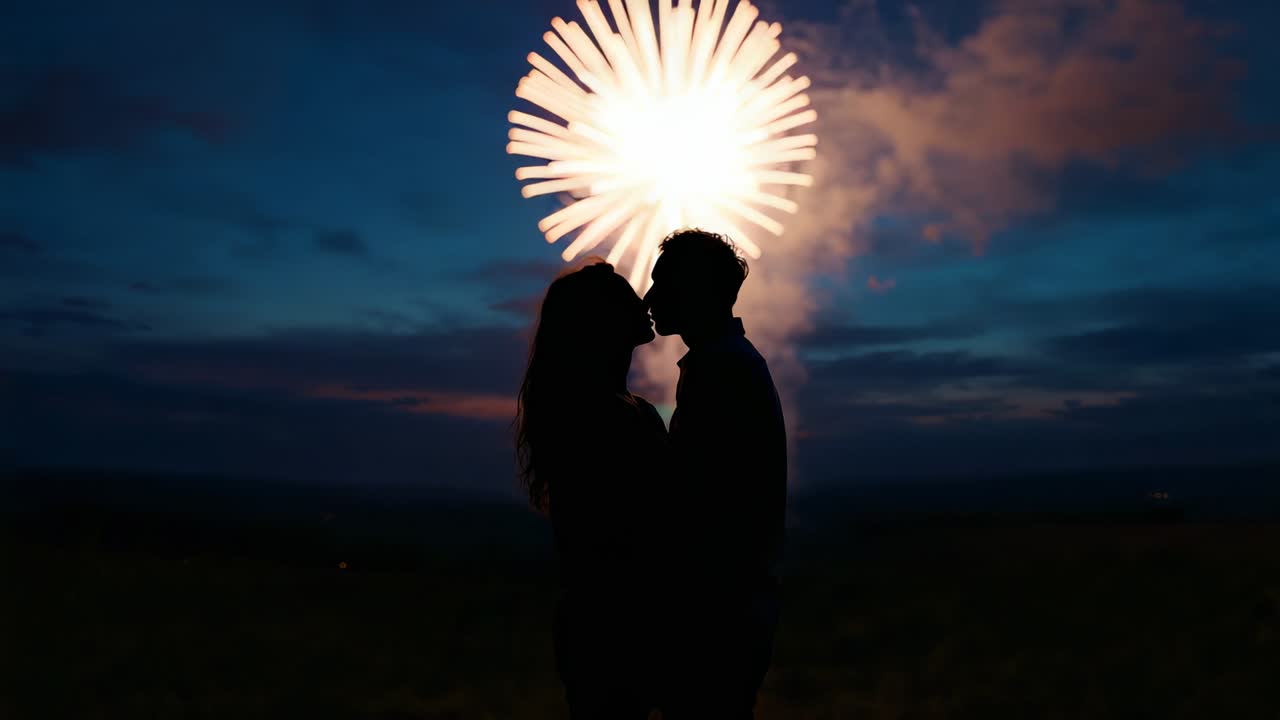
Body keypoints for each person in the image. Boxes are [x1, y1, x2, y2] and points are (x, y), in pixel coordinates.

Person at [514, 259, 667, 719]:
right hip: (616, 629)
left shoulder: (608, 410)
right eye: (625, 297)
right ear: (601, 322)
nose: (642, 302)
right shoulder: (607, 418)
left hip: (602, 627)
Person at [644, 228, 788, 719]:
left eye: (662, 284)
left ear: (696, 291)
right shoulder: (728, 365)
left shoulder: (721, 371)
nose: (649, 297)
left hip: (717, 620)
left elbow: (700, 503)